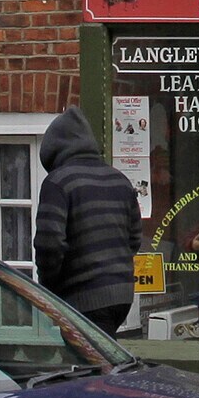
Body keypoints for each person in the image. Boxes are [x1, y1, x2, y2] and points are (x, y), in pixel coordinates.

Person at [32, 108, 142, 336]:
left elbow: (49, 244)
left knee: (88, 358)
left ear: (53, 153)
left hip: (82, 297)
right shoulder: (120, 180)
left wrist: (49, 288)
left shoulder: (58, 182)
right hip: (122, 295)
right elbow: (134, 239)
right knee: (104, 353)